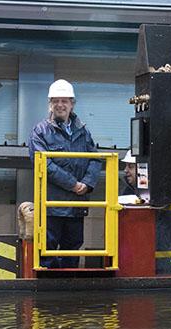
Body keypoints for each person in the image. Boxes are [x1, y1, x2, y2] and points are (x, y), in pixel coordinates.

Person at [28, 79, 102, 268]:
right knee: (49, 251)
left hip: (76, 206)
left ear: (72, 104)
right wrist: (73, 184)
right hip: (52, 207)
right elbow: (45, 165)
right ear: (50, 104)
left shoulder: (83, 132)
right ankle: (48, 293)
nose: (60, 105)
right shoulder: (40, 132)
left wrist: (87, 183)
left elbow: (96, 158)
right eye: (55, 101)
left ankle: (69, 293)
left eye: (64, 101)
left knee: (72, 250)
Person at [121, 150, 171, 273]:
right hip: (134, 259)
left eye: (130, 166)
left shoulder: (164, 194)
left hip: (160, 260)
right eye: (126, 166)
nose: (126, 170)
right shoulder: (127, 192)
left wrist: (164, 247)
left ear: (144, 169)